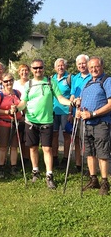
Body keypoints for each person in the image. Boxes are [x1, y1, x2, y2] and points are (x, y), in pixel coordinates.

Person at [12, 59, 78, 189]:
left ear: (44, 68)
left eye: (40, 67)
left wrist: (71, 102)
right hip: (31, 120)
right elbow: (23, 103)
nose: (38, 70)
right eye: (35, 68)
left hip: (47, 120)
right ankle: (35, 171)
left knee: (47, 148)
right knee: (33, 148)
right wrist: (16, 108)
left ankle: (49, 175)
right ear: (32, 69)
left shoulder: (50, 82)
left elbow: (60, 98)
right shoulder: (28, 84)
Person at [78, 56, 111, 195]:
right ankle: (93, 180)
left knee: (102, 153)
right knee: (89, 152)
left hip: (101, 123)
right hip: (86, 123)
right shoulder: (87, 83)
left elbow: (110, 104)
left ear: (101, 66)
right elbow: (82, 100)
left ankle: (104, 182)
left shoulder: (107, 81)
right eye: (91, 67)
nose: (93, 69)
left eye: (96, 67)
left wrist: (93, 114)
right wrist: (79, 108)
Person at [0, 73, 22, 179]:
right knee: (3, 146)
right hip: (3, 123)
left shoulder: (18, 93)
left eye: (10, 80)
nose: (8, 83)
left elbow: (23, 105)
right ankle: (1, 167)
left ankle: (13, 167)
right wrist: (7, 111)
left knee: (14, 147)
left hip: (16, 123)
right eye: (6, 81)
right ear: (2, 83)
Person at [69, 54, 92, 172]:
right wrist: (72, 102)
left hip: (88, 113)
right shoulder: (75, 78)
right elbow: (72, 93)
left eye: (83, 63)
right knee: (77, 139)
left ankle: (89, 166)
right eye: (79, 64)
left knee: (87, 140)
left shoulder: (92, 77)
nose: (81, 66)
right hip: (76, 112)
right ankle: (78, 164)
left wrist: (81, 100)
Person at [51, 58, 72, 168]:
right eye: (58, 66)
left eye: (62, 65)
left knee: (66, 135)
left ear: (65, 67)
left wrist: (70, 112)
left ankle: (65, 158)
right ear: (55, 68)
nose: (60, 67)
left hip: (65, 112)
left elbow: (72, 95)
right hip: (54, 112)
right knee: (54, 135)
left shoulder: (69, 78)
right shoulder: (51, 79)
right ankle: (54, 158)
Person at [13, 64, 31, 164]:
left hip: (30, 112)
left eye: (26, 70)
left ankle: (26, 157)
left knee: (27, 137)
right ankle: (20, 157)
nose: (24, 72)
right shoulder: (15, 84)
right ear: (19, 72)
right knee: (19, 136)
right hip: (18, 113)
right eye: (22, 70)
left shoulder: (32, 83)